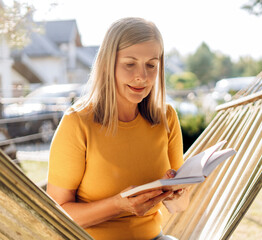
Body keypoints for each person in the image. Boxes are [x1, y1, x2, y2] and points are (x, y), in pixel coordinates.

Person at [46, 17, 188, 240]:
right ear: (107, 64)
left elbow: (180, 204)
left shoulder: (166, 118)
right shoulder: (78, 123)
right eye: (130, 64)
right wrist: (118, 205)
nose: (142, 75)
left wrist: (175, 194)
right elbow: (55, 214)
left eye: (151, 65)